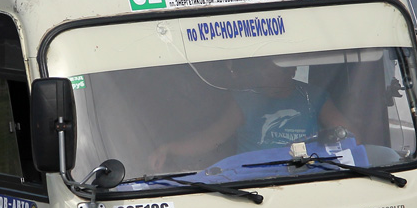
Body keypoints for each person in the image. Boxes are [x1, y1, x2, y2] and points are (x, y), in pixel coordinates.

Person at [148, 58, 356, 171]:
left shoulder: (315, 96)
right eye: (264, 71)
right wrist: (170, 148)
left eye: (275, 72)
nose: (267, 78)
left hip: (303, 176)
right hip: (254, 179)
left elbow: (347, 134)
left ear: (291, 70)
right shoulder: (245, 99)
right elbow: (213, 138)